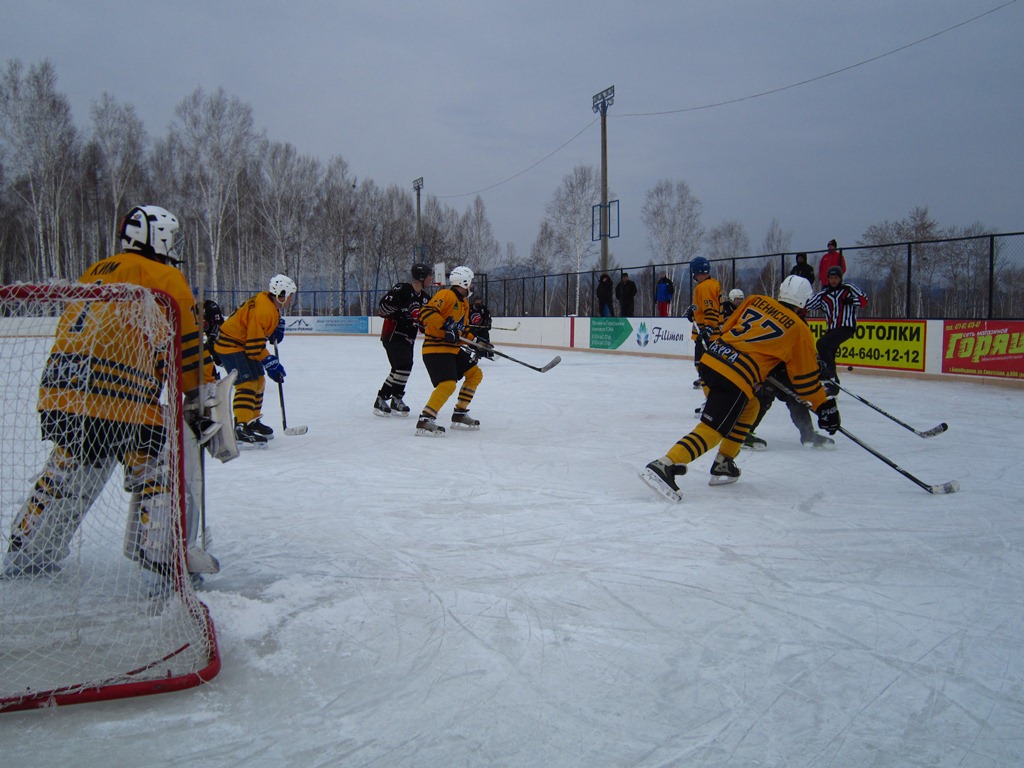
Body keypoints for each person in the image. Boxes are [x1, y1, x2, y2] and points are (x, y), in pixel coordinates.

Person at [3, 205, 215, 579]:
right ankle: (163, 552)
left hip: (62, 391)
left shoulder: (96, 270)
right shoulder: (164, 275)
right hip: (122, 392)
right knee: (157, 466)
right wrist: (201, 394)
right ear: (158, 236)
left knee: (70, 465)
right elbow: (188, 347)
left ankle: (27, 550)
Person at [639, 275, 840, 502]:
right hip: (735, 375)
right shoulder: (799, 330)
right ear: (804, 301)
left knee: (751, 406)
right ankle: (665, 465)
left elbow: (728, 328)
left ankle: (724, 462)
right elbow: (804, 383)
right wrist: (824, 405)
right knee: (713, 429)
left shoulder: (755, 300)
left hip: (712, 360)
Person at [214, 274, 296, 445]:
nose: (291, 300)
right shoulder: (264, 310)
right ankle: (240, 426)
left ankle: (252, 420)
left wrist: (274, 328)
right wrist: (270, 361)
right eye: (289, 295)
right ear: (281, 294)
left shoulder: (267, 301)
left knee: (259, 380)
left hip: (241, 344)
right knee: (247, 383)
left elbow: (257, 333)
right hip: (231, 345)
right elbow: (254, 347)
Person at [415, 266, 488, 436]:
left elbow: (460, 330)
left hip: (452, 349)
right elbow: (426, 313)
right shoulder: (445, 295)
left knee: (475, 374)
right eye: (471, 282)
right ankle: (426, 419)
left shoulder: (463, 303)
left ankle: (460, 413)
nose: (472, 286)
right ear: (464, 282)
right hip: (436, 348)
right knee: (448, 384)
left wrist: (476, 342)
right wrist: (445, 326)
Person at [374, 263, 434, 416]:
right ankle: (396, 398)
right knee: (404, 365)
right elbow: (383, 307)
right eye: (429, 275)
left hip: (408, 338)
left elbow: (424, 323)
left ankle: (384, 399)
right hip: (392, 335)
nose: (431, 279)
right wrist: (401, 315)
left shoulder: (426, 299)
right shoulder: (402, 289)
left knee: (399, 368)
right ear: (421, 277)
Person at [806, 265, 868, 395]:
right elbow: (808, 305)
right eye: (831, 278)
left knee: (822, 344)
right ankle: (834, 386)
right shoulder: (824, 294)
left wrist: (852, 300)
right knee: (828, 354)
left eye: (836, 278)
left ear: (840, 278)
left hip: (846, 327)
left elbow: (864, 300)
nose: (834, 280)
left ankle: (830, 377)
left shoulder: (848, 289)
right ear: (828, 279)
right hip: (832, 329)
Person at [685, 257, 722, 389]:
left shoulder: (705, 287)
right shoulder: (709, 284)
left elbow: (711, 308)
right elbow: (702, 306)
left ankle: (712, 399)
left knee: (703, 366)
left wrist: (709, 328)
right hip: (706, 332)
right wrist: (693, 311)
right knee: (703, 365)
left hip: (707, 334)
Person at [203, 298, 225, 381]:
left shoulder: (211, 306)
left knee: (218, 359)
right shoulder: (193, 308)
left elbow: (218, 322)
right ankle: (214, 376)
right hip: (210, 337)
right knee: (204, 354)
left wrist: (213, 335)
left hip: (219, 335)